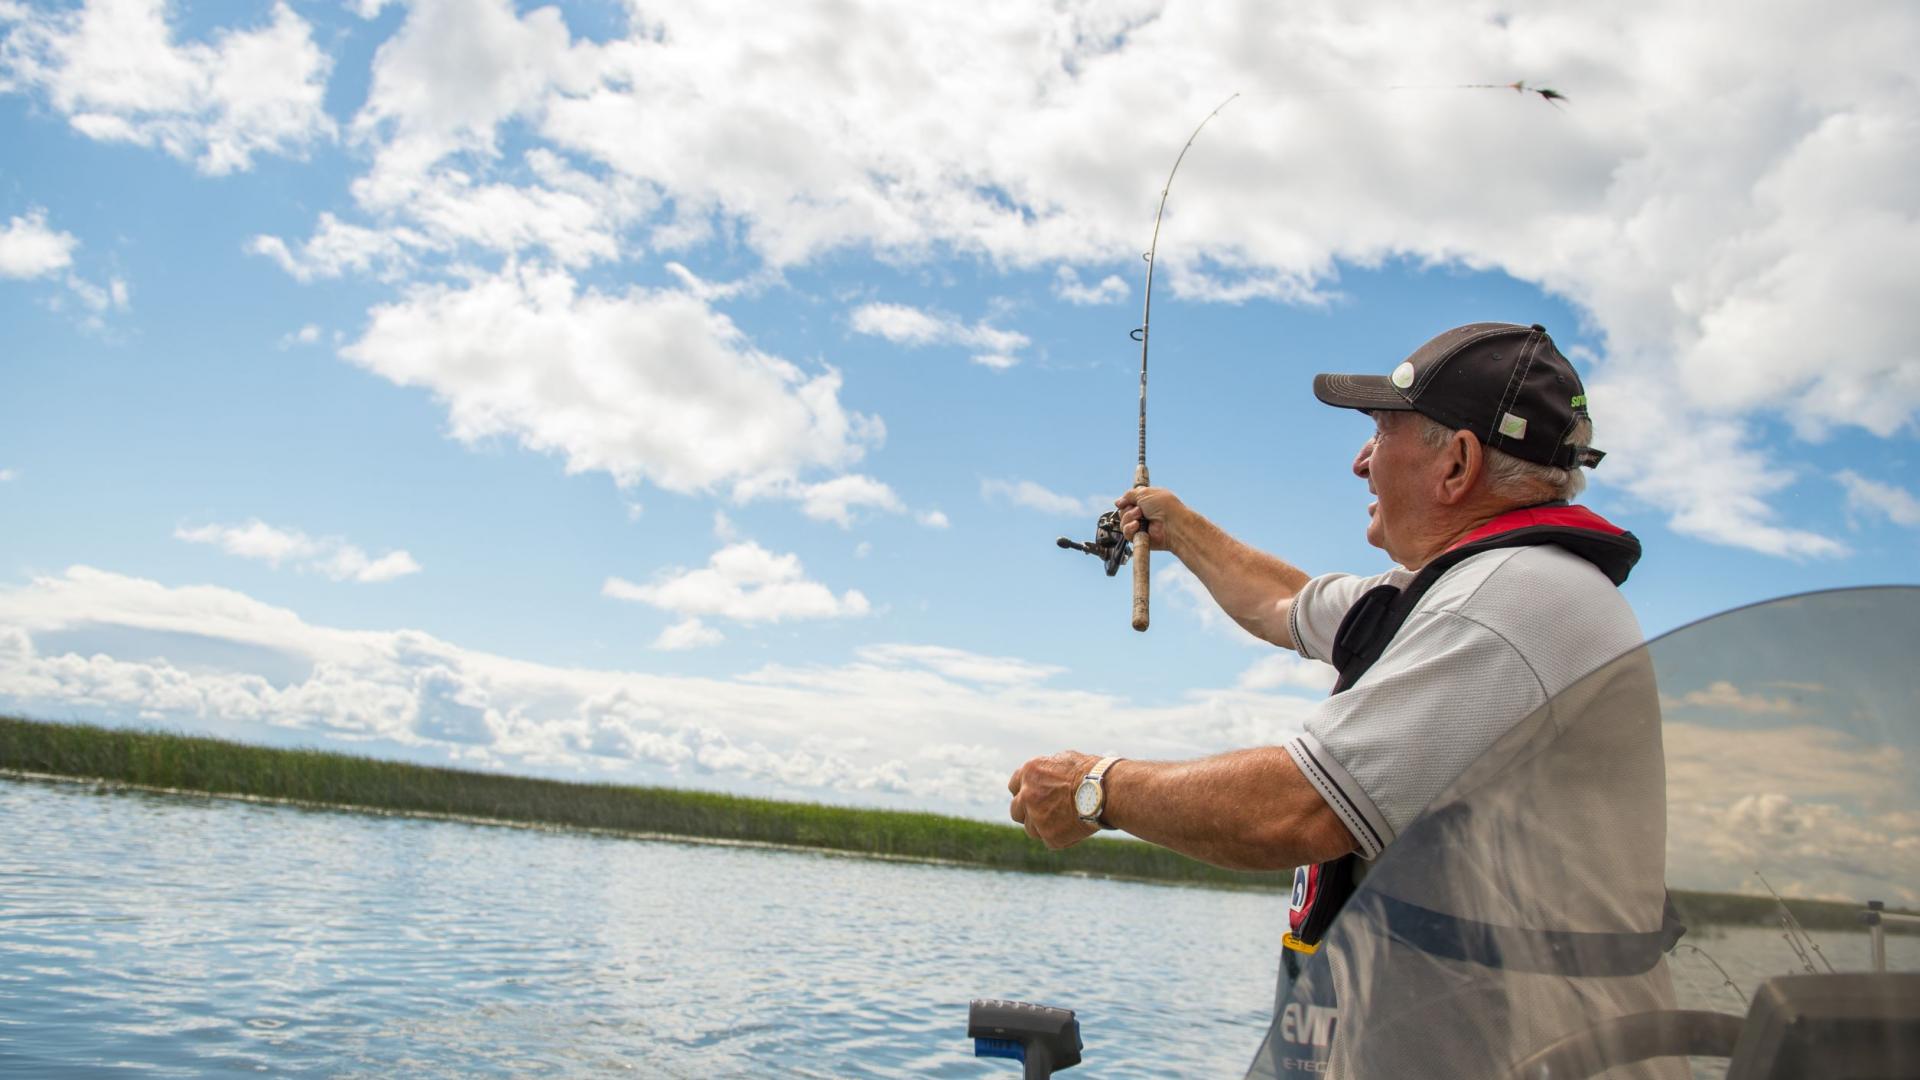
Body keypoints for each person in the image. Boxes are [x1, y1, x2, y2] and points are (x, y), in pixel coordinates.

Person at [1007, 322, 1681, 1077]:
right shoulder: (1453, 592)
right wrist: (1180, 529)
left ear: (1456, 462)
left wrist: (1097, 788)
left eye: (1381, 433)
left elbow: (1297, 808)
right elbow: (1285, 600)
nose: (1361, 461)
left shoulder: (1507, 604)